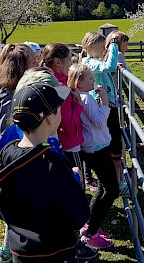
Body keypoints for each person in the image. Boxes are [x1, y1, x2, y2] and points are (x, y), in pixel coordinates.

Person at [0, 82, 91, 263]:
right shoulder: (52, 162)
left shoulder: (8, 153)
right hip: (55, 250)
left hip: (21, 250)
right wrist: (75, 179)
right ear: (50, 117)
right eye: (58, 109)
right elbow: (78, 213)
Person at [68, 63, 119, 249]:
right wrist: (105, 101)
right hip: (98, 148)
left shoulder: (81, 97)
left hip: (91, 147)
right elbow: (98, 121)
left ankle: (90, 226)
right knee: (112, 190)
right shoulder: (86, 98)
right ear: (79, 82)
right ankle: (90, 233)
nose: (93, 80)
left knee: (103, 188)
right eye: (90, 78)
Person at [80, 31, 129, 196]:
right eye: (102, 47)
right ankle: (114, 184)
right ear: (91, 47)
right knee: (113, 146)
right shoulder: (89, 63)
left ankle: (115, 183)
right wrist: (114, 44)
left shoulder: (92, 62)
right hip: (104, 107)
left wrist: (113, 68)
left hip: (107, 106)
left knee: (114, 145)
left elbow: (107, 68)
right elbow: (107, 66)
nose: (104, 50)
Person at [42, 43, 85, 185]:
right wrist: (79, 103)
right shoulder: (61, 88)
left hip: (55, 141)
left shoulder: (47, 79)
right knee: (77, 180)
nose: (70, 64)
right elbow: (67, 121)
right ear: (58, 62)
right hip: (69, 141)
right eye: (68, 60)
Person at [0, 43, 34, 141]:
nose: (38, 66)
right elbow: (8, 138)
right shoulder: (9, 99)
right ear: (21, 69)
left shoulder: (21, 92)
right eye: (33, 63)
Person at [105, 30, 144, 108]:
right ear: (119, 44)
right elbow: (129, 78)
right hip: (112, 97)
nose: (127, 48)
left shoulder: (104, 53)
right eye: (126, 45)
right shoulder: (118, 55)